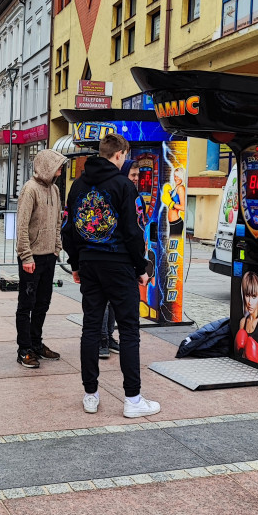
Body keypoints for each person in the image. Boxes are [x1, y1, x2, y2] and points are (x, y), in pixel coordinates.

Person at [62, 132, 159, 419]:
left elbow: (69, 229)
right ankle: (133, 399)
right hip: (118, 265)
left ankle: (90, 394)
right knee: (129, 330)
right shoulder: (122, 185)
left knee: (90, 328)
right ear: (119, 155)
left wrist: (77, 263)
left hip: (90, 264)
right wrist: (141, 268)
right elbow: (132, 231)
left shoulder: (77, 184)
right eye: (125, 157)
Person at [14, 150, 68, 368]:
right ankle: (24, 349)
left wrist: (57, 248)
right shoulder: (30, 189)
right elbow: (22, 226)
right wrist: (26, 256)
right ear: (47, 166)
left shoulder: (54, 189)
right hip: (31, 258)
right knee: (26, 304)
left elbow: (57, 222)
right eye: (58, 165)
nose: (61, 169)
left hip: (48, 257)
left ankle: (36, 343)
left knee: (43, 303)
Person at [99, 159, 139, 360]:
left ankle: (109, 336)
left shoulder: (130, 193)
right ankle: (102, 339)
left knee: (114, 303)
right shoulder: (116, 192)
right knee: (105, 301)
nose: (136, 179)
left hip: (124, 256)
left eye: (138, 175)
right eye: (133, 175)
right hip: (111, 254)